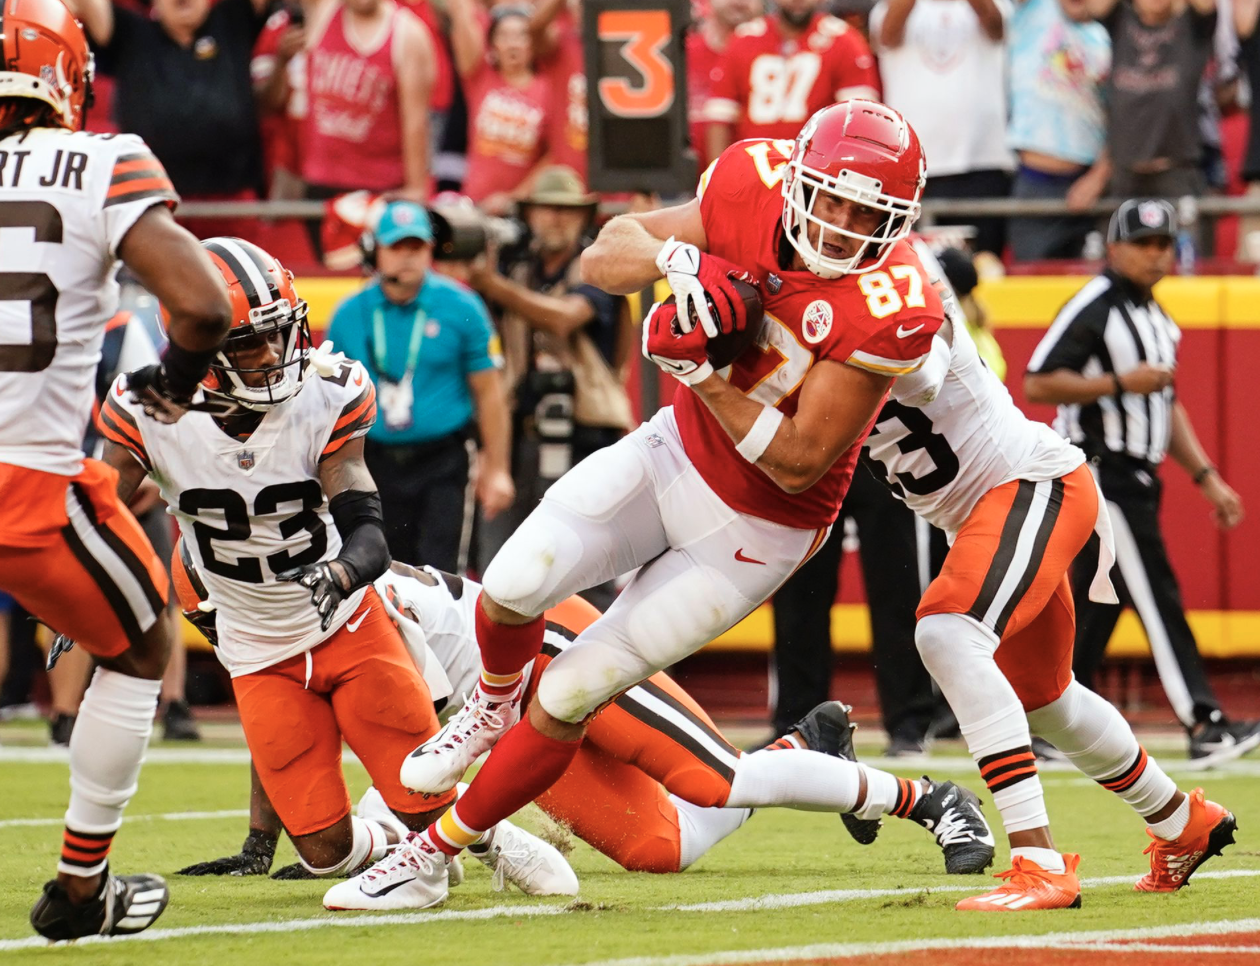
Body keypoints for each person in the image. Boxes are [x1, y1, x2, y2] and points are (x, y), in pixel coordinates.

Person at [350, 100, 993, 909]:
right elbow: (605, 255)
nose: (840, 223)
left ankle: (422, 860)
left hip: (758, 529)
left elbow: (799, 462)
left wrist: (702, 374)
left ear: (897, 220)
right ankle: (484, 709)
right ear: (798, 179)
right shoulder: (751, 181)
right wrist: (683, 267)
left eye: (868, 211)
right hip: (675, 451)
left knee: (570, 695)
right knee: (514, 582)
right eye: (830, 197)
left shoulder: (894, 300)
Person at [95, 237, 573, 897]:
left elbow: (365, 525)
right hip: (259, 651)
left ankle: (478, 834)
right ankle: (417, 843)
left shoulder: (325, 390)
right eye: (249, 344)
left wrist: (343, 574)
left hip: (348, 625)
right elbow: (99, 511)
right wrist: (80, 589)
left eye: (281, 333)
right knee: (323, 850)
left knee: (417, 794)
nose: (275, 356)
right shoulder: (148, 408)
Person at [173, 553, 994, 888]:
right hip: (500, 712)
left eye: (228, 614)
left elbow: (418, 745)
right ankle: (806, 744)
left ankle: (923, 799)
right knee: (658, 848)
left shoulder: (355, 602)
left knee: (709, 777)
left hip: (552, 658)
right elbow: (286, 718)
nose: (231, 630)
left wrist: (396, 842)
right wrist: (260, 844)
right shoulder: (272, 627)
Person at [865, 239, 1238, 911]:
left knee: (948, 634)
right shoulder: (805, 309)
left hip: (1029, 484)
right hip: (988, 510)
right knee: (1044, 695)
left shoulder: (903, 271)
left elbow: (918, 373)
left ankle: (1038, 862)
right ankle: (1184, 820)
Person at [0, 0, 233, 939]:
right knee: (141, 646)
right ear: (69, 76)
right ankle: (82, 889)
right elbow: (204, 307)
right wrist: (170, 390)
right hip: (30, 485)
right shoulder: (106, 159)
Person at [1024, 199, 1258, 764]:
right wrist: (1117, 382)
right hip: (1101, 471)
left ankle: (1049, 722)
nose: (1156, 255)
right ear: (1115, 246)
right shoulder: (1094, 306)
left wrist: (1206, 477)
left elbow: (1166, 404)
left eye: (1163, 244)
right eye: (1144, 244)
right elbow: (1038, 383)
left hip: (1140, 474)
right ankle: (1205, 721)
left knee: (1103, 600)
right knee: (1159, 593)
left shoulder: (1159, 317)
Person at [327, 201, 515, 573]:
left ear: (431, 250)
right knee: (380, 570)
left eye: (416, 247)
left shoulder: (463, 306)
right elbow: (329, 402)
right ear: (374, 251)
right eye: (396, 247)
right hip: (371, 461)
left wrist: (497, 468)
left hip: (443, 461)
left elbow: (490, 392)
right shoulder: (348, 314)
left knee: (441, 573)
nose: (406, 257)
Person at [469, 166, 633, 562]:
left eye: (567, 210)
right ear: (528, 216)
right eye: (545, 209)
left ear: (583, 218)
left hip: (587, 436)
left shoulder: (599, 267)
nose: (556, 219)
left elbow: (565, 316)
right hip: (522, 432)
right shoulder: (517, 267)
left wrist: (493, 285)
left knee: (585, 564)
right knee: (504, 560)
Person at [69, 0, 271, 238]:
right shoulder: (132, 33)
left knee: (238, 274)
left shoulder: (232, 21)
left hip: (232, 200)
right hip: (154, 201)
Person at [869, 0, 1014, 257]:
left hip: (983, 163)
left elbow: (996, 27)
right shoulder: (886, 8)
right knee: (916, 264)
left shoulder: (999, 4)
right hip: (913, 169)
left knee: (985, 264)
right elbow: (887, 36)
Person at [704, 0, 878, 160]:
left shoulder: (845, 41)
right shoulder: (744, 38)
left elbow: (861, 123)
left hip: (815, 168)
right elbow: (720, 118)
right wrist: (717, 171)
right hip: (753, 164)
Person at [1006, 0, 1111, 261]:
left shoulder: (1111, 33)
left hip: (1091, 191)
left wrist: (1097, 178)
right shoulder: (1030, 12)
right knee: (1030, 292)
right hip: (1034, 186)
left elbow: (1125, 120)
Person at [301, 0, 435, 205]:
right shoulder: (323, 11)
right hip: (320, 183)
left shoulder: (407, 33)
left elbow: (416, 120)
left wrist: (416, 188)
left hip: (379, 189)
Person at [1095, 0, 1217, 200]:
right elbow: (1096, 7)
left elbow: (1206, 7)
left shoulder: (1191, 27)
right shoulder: (1120, 21)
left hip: (1176, 172)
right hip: (1124, 174)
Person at [449, 0, 553, 213]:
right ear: (492, 44)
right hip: (474, 204)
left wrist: (514, 198)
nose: (512, 44)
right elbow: (461, 14)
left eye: (521, 35)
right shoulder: (479, 77)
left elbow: (553, 155)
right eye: (504, 36)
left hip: (521, 209)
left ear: (533, 42)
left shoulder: (549, 89)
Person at [686, 0, 765, 172]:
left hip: (753, 181)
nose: (738, 2)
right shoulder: (683, 53)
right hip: (681, 187)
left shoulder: (776, 59)